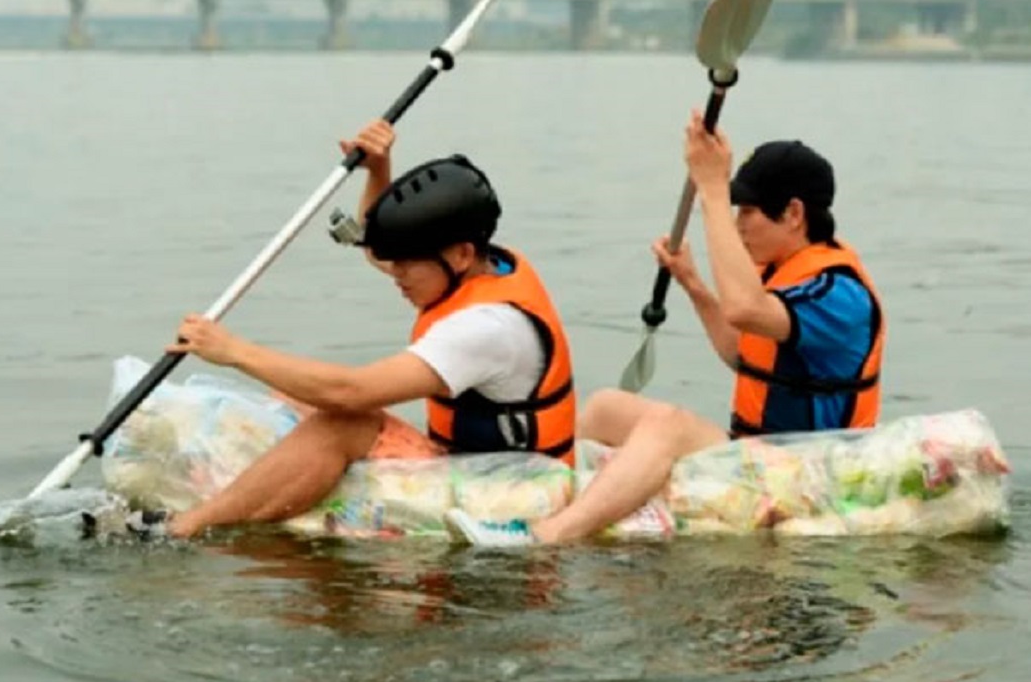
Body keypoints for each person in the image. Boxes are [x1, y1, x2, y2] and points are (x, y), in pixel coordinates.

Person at [446, 110, 885, 547]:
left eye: (747, 211)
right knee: (604, 408)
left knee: (668, 424)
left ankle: (547, 536)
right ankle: (508, 491)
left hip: (812, 473)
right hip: (762, 455)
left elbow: (745, 308)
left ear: (793, 214)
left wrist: (712, 188)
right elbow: (743, 353)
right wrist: (692, 283)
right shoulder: (784, 271)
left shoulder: (838, 293)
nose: (737, 224)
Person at [136, 119, 577, 540]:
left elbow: (354, 391)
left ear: (460, 255)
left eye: (407, 264)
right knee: (295, 396)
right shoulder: (484, 264)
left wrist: (235, 351)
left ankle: (188, 525)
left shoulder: (486, 328)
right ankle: (252, 489)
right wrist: (377, 171)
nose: (393, 272)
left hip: (515, 487)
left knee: (341, 421)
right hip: (477, 460)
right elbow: (380, 250)